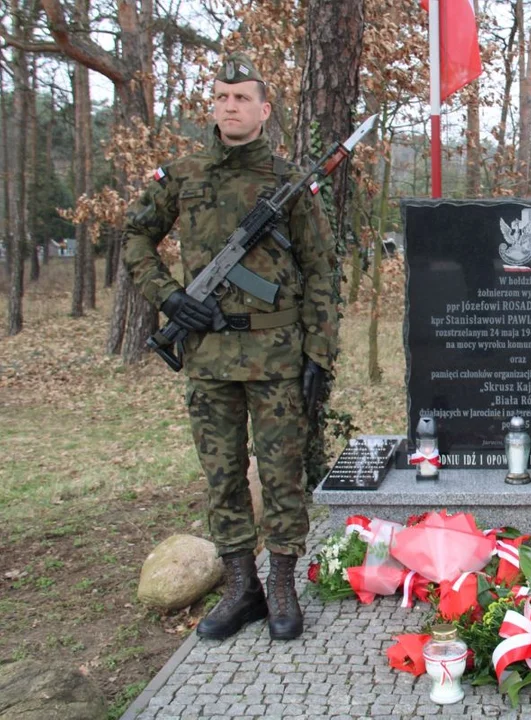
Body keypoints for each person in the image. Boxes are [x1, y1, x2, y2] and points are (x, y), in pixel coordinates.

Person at [124, 52, 339, 641]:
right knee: (222, 477)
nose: (230, 105)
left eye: (242, 96)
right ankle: (242, 588)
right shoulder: (184, 176)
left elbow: (321, 270)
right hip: (208, 355)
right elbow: (136, 237)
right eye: (221, 96)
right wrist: (169, 298)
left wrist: (320, 354)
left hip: (276, 358)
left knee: (282, 475)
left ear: (264, 109)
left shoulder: (289, 182)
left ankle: (282, 586)